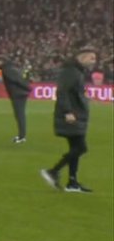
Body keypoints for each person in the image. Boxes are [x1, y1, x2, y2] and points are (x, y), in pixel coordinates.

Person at [40, 45, 98, 193]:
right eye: (92, 58)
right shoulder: (71, 72)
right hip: (72, 115)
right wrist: (67, 112)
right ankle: (53, 171)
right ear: (82, 57)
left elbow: (71, 92)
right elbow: (63, 92)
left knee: (75, 148)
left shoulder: (75, 71)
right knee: (80, 148)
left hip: (77, 114)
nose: (94, 61)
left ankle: (72, 183)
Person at [0, 54, 30, 143]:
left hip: (18, 94)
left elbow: (17, 80)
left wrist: (27, 87)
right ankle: (21, 135)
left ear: (2, 61)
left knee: (20, 115)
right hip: (19, 93)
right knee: (19, 115)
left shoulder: (7, 70)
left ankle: (22, 137)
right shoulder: (11, 68)